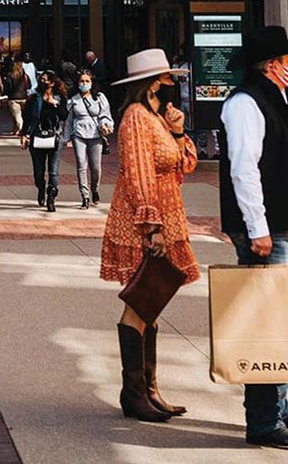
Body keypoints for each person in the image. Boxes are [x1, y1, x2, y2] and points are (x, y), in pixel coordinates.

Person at [219, 26, 288, 451]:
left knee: (284, 321)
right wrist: (257, 227)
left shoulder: (272, 98)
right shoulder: (245, 103)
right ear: (272, 64)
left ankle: (278, 405)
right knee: (266, 326)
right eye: (287, 61)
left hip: (285, 225)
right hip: (269, 229)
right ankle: (262, 420)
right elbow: (244, 167)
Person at [101, 48, 198, 422]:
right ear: (154, 82)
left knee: (152, 303)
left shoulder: (157, 117)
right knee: (140, 302)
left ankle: (150, 390)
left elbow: (185, 162)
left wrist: (178, 130)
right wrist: (151, 226)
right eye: (168, 78)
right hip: (145, 220)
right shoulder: (136, 118)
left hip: (167, 213)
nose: (173, 84)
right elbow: (139, 174)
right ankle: (134, 392)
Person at [63, 70, 114, 208]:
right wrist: (65, 137)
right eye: (82, 81)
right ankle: (84, 196)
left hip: (95, 134)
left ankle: (95, 189)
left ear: (92, 83)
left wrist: (106, 125)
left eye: (87, 81)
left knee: (95, 167)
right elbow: (68, 120)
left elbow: (106, 114)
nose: (84, 84)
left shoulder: (99, 98)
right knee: (81, 164)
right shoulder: (73, 99)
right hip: (78, 133)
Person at [20, 70, 68, 211]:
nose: (43, 82)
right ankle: (41, 187)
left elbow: (65, 116)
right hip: (37, 137)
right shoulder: (35, 98)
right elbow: (27, 117)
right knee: (38, 171)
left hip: (54, 138)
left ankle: (51, 197)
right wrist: (24, 134)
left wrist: (55, 104)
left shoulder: (60, 98)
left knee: (53, 171)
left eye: (46, 80)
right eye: (41, 79)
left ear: (52, 83)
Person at [5, 54, 29, 134]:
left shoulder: (10, 75)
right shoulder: (25, 76)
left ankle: (22, 129)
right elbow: (29, 85)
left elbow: (8, 87)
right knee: (23, 115)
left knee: (17, 115)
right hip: (24, 97)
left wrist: (7, 94)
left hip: (13, 98)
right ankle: (17, 129)